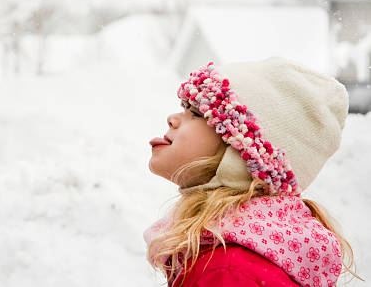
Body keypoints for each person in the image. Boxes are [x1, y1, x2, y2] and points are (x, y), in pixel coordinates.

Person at [144, 57, 360, 287]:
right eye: (183, 108)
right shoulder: (233, 260)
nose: (172, 119)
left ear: (241, 153)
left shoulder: (227, 272)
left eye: (196, 113)